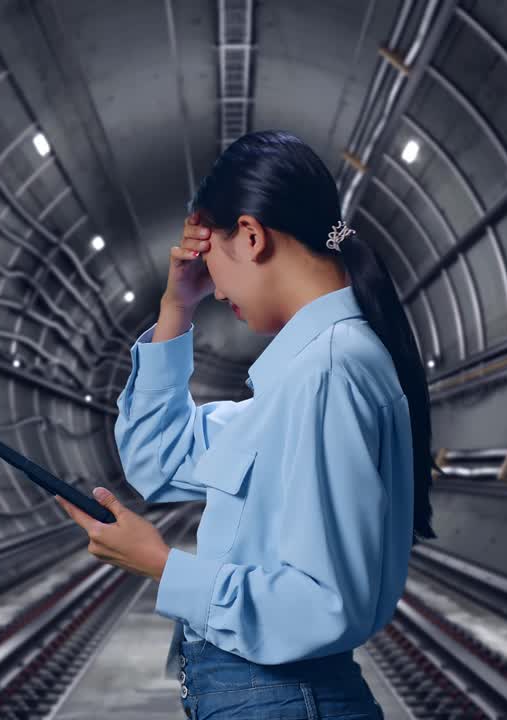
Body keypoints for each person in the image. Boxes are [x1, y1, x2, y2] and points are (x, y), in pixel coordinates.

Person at [54, 129, 434, 719]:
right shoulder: (301, 378)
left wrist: (161, 565)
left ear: (252, 236)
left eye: (211, 260)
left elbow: (325, 603)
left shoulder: (328, 373)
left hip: (283, 700)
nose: (213, 288)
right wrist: (176, 307)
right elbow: (159, 458)